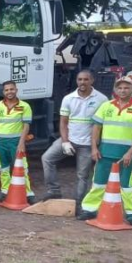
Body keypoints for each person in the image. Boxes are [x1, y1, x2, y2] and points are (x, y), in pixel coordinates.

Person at [78, 76, 132, 226]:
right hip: (105, 154)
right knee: (98, 183)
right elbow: (96, 127)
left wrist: (130, 152)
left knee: (127, 186)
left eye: (126, 88)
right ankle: (90, 209)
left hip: (127, 156)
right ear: (115, 90)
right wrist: (94, 148)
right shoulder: (107, 106)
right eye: (120, 88)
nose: (123, 90)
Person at [41, 70, 108, 202]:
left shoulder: (102, 99)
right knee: (47, 158)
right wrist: (65, 142)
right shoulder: (69, 98)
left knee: (82, 175)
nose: (82, 82)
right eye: (80, 79)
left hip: (88, 144)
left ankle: (78, 202)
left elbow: (102, 125)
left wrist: (97, 145)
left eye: (86, 79)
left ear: (92, 81)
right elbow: (64, 122)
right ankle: (53, 190)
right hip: (70, 139)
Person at [0, 81, 35, 203]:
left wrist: (21, 143)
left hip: (16, 142)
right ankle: (5, 191)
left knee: (22, 167)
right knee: (3, 168)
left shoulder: (25, 106)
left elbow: (26, 126)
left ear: (16, 90)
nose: (9, 92)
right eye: (7, 90)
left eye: (11, 89)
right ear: (3, 92)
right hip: (0, 142)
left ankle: (28, 193)